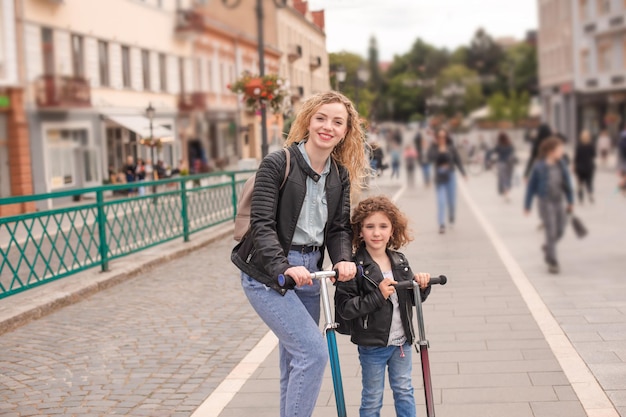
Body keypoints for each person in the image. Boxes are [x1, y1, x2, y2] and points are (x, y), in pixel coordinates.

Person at [231, 91, 369, 417]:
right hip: (268, 273)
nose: (328, 127)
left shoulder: (339, 175)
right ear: (308, 120)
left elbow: (337, 229)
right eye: (321, 118)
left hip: (311, 273)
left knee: (295, 362)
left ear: (346, 131)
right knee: (313, 354)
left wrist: (343, 260)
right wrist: (283, 266)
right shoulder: (277, 163)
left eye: (338, 122)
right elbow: (262, 225)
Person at [335, 196, 431, 417]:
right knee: (372, 397)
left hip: (402, 344)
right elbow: (346, 308)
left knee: (405, 390)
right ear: (360, 231)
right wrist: (378, 296)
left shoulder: (400, 261)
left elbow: (413, 301)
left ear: (392, 230)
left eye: (383, 226)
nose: (376, 233)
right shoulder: (354, 267)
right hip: (372, 346)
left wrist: (421, 285)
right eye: (369, 226)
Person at [524, 136, 574, 274]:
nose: (562, 153)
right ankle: (552, 261)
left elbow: (567, 184)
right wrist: (527, 205)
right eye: (560, 150)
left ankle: (548, 247)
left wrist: (570, 201)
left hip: (558, 201)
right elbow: (531, 187)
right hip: (545, 202)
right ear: (551, 151)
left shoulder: (562, 164)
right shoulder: (539, 166)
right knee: (550, 231)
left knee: (561, 229)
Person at [428, 128, 467, 234]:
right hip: (439, 177)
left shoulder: (451, 148)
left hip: (450, 176)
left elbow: (457, 160)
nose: (442, 139)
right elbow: (430, 158)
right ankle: (441, 224)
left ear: (447, 137)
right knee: (441, 201)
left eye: (443, 137)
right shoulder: (434, 148)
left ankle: (451, 217)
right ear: (437, 138)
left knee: (451, 201)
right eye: (439, 137)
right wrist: (438, 150)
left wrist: (463, 173)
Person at [492, 132, 516, 202]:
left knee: (503, 179)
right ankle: (507, 193)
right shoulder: (509, 144)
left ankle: (506, 193)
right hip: (509, 163)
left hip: (501, 163)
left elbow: (494, 151)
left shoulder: (499, 145)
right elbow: (513, 151)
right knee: (508, 178)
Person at [574, 130, 596, 204]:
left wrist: (574, 165)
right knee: (589, 182)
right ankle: (590, 194)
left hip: (580, 167)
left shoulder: (579, 145)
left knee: (580, 183)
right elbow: (594, 155)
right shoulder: (591, 145)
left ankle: (581, 198)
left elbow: (576, 157)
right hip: (589, 166)